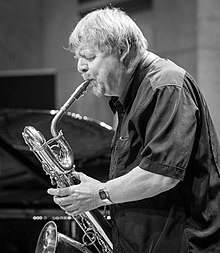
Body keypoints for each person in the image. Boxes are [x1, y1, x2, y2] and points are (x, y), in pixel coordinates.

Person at [47, 7, 220, 253]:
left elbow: (161, 175)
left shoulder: (166, 85)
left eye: (88, 56)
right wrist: (96, 188)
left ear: (123, 51)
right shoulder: (132, 95)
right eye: (78, 58)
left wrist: (99, 193)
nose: (80, 68)